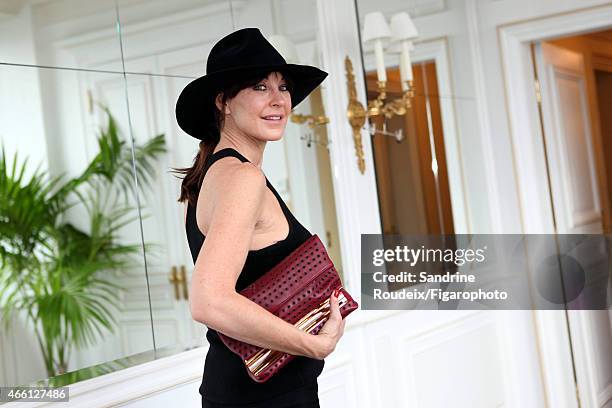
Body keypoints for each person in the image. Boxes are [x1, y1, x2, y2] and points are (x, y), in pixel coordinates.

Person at [174, 28, 346, 407]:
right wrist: (314, 344)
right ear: (224, 102)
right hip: (266, 397)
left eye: (283, 87)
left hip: (239, 390)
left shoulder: (207, 177)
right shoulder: (243, 178)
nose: (278, 100)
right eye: (259, 87)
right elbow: (209, 302)